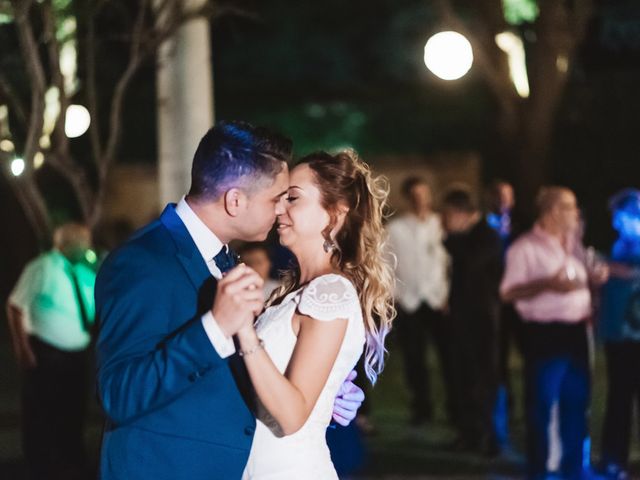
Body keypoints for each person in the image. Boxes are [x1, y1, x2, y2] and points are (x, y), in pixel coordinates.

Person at [95, 122, 364, 480]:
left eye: (290, 199)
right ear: (235, 200)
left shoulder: (229, 263)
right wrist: (213, 327)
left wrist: (325, 388)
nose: (280, 210)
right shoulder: (144, 261)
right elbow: (119, 393)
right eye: (275, 199)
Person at [237, 149, 395, 478]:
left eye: (293, 198)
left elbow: (293, 414)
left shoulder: (331, 292)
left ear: (335, 215)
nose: (279, 208)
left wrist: (243, 329)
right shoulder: (297, 290)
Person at [500, 186, 607, 480]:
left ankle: (574, 469)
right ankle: (540, 470)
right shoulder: (525, 247)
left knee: (576, 403)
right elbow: (508, 292)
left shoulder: (574, 246)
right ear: (553, 211)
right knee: (542, 405)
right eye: (571, 207)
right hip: (545, 334)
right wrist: (548, 285)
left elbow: (580, 284)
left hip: (576, 333)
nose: (576, 213)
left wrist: (596, 279)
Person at [7, 223, 96, 480]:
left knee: (73, 409)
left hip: (77, 355)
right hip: (47, 353)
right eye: (82, 241)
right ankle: (42, 465)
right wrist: (22, 348)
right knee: (45, 412)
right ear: (65, 242)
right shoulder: (43, 266)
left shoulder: (81, 271)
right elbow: (15, 306)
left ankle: (72, 460)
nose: (87, 247)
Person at [441, 187, 503, 455]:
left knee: (483, 378)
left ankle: (489, 436)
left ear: (459, 213)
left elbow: (472, 263)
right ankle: (469, 433)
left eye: (448, 215)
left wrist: (452, 239)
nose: (445, 222)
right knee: (463, 377)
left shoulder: (486, 235)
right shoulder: (468, 237)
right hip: (463, 319)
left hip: (482, 321)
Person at [386, 176, 452, 426]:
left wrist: (447, 293)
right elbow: (387, 264)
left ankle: (454, 408)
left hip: (438, 299)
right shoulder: (395, 229)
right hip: (410, 301)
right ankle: (421, 408)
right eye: (415, 195)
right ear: (407, 197)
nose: (421, 200)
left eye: (424, 194)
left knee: (448, 357)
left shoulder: (440, 224)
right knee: (414, 359)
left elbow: (449, 263)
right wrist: (396, 297)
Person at [597, 189, 640, 480]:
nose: (616, 223)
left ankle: (617, 459)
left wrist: (600, 265)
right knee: (619, 399)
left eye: (620, 217)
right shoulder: (620, 245)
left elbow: (630, 273)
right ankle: (615, 459)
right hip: (619, 336)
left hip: (635, 336)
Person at [485, 180, 522, 451]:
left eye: (507, 196)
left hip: (518, 302)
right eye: (498, 195)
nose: (503, 200)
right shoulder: (483, 227)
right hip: (491, 302)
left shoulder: (521, 227)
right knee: (496, 356)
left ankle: (518, 405)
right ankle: (501, 407)